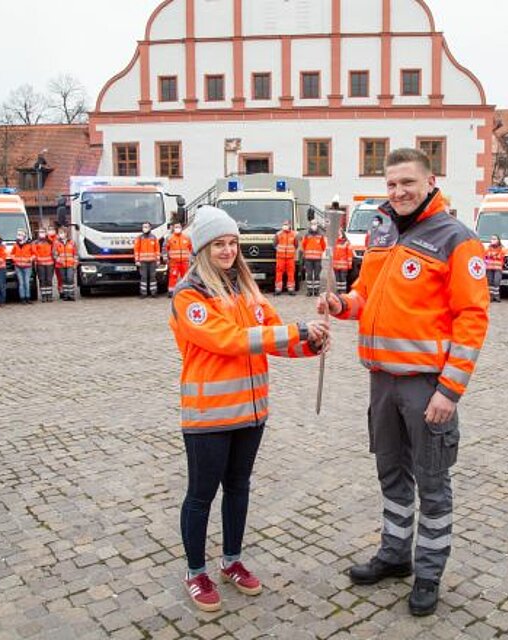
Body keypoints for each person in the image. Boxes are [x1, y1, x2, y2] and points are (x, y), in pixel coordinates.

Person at [318, 148, 489, 616]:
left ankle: (429, 572)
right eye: (391, 185)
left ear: (430, 180)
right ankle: (395, 556)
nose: (398, 192)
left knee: (432, 484)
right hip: (382, 382)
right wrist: (342, 306)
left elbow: (471, 319)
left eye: (407, 183)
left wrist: (450, 390)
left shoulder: (457, 238)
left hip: (426, 386)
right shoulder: (381, 229)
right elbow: (366, 295)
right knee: (391, 475)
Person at [169, 205, 328, 613]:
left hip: (251, 412)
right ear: (203, 248)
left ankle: (232, 561)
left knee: (239, 489)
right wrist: (297, 331)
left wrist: (310, 344)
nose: (227, 250)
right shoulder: (190, 295)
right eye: (219, 244)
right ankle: (195, 571)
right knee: (201, 495)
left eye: (232, 243)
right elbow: (230, 340)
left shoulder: (246, 289)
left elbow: (272, 336)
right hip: (210, 414)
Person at [134, 222, 162, 298]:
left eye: (146, 227)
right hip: (142, 261)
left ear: (150, 228)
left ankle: (154, 293)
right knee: (143, 277)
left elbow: (157, 249)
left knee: (153, 277)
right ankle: (143, 293)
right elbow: (136, 250)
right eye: (144, 227)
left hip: (152, 261)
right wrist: (137, 260)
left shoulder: (153, 237)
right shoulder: (139, 238)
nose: (145, 228)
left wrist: (158, 260)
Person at [165, 222, 192, 297]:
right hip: (174, 262)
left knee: (186, 277)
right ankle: (171, 291)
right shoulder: (169, 238)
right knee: (173, 276)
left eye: (179, 227)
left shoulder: (187, 237)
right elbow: (165, 249)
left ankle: (187, 291)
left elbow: (191, 248)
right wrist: (165, 258)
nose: (177, 228)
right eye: (176, 227)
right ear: (173, 228)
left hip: (185, 262)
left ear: (181, 228)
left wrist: (191, 259)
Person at [301, 221, 327, 297]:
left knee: (316, 275)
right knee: (309, 275)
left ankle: (316, 291)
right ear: (310, 225)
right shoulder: (307, 235)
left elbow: (323, 246)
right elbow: (303, 245)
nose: (313, 226)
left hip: (317, 259)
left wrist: (318, 253)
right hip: (308, 259)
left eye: (315, 224)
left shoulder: (320, 235)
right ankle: (309, 291)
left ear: (317, 225)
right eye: (312, 224)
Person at [273, 220, 298, 296]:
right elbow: (274, 244)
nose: (285, 226)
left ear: (290, 225)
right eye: (284, 224)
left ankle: (291, 289)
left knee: (291, 273)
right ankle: (278, 289)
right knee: (279, 273)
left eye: (286, 224)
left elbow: (296, 245)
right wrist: (280, 250)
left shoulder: (294, 234)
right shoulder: (278, 234)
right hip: (280, 257)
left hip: (290, 258)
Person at [11, 229, 35, 304]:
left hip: (27, 266)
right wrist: (15, 259)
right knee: (21, 283)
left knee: (27, 282)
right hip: (18, 267)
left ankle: (28, 297)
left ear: (25, 235)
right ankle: (22, 298)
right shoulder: (16, 245)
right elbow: (12, 254)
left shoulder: (30, 244)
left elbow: (34, 254)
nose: (19, 236)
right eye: (18, 234)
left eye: (21, 234)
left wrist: (30, 259)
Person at [54, 229, 78, 301]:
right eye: (60, 233)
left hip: (70, 264)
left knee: (70, 279)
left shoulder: (72, 242)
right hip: (61, 265)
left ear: (66, 233)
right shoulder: (57, 243)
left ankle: (71, 295)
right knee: (64, 280)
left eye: (62, 233)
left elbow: (75, 254)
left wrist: (75, 263)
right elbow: (55, 254)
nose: (61, 234)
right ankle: (66, 295)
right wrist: (58, 260)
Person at [34, 227, 56, 302]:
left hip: (50, 264)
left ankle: (49, 295)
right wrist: (38, 258)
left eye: (43, 232)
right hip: (40, 264)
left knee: (49, 280)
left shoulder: (50, 242)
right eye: (40, 232)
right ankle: (43, 295)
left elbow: (54, 251)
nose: (42, 233)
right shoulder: (35, 242)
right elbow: (34, 252)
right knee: (42, 280)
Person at [484, 234, 505, 302]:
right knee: (490, 282)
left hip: (498, 268)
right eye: (492, 239)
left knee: (496, 282)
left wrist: (492, 255)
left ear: (498, 240)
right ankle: (491, 296)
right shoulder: (488, 249)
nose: (493, 240)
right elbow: (486, 256)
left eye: (494, 239)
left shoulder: (501, 249)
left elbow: (499, 256)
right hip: (489, 268)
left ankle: (496, 296)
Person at [332, 227, 352, 294]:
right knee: (338, 280)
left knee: (343, 280)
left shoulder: (346, 242)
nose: (338, 233)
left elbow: (349, 254)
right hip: (336, 266)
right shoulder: (335, 242)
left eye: (339, 232)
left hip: (343, 266)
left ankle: (343, 292)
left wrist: (349, 264)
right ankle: (339, 291)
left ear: (342, 233)